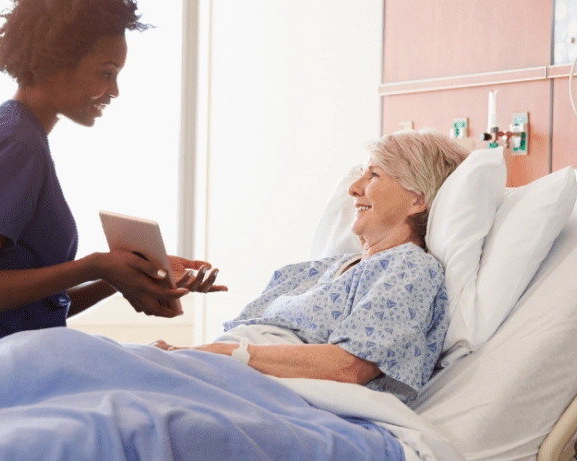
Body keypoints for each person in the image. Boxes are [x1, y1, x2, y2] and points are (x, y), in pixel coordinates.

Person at [0, 0, 224, 362]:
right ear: (53, 65)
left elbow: (27, 310)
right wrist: (95, 264)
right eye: (106, 73)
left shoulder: (11, 133)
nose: (115, 90)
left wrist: (119, 277)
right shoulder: (12, 146)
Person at [154, 129, 469, 404]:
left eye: (374, 175)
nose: (353, 188)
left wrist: (219, 355)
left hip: (270, 395)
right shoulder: (321, 269)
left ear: (417, 199)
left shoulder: (410, 268)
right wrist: (186, 354)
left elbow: (348, 367)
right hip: (224, 376)